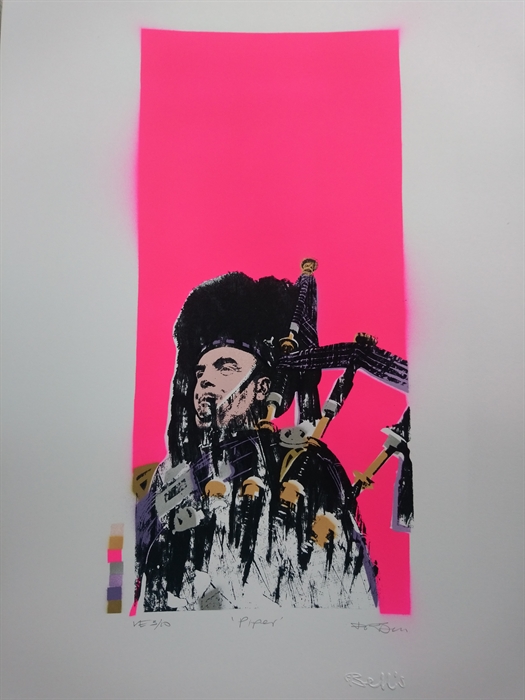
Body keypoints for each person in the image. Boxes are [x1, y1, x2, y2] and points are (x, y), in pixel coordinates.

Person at [132, 265, 409, 612]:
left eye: (225, 366)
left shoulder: (305, 462)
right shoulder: (168, 475)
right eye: (200, 371)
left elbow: (341, 576)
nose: (204, 380)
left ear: (262, 387)